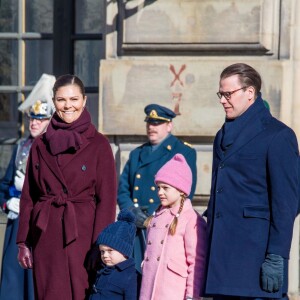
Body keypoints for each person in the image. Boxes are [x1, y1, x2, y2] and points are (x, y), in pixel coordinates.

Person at [16, 74, 117, 300]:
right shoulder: (40, 145)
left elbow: (107, 200)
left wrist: (101, 245)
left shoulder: (99, 144)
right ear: (54, 101)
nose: (68, 105)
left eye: (74, 99)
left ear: (84, 101)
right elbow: (29, 196)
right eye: (61, 100)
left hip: (84, 235)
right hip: (46, 235)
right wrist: (23, 241)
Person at [205, 63, 299, 299]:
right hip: (221, 260)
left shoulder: (278, 135)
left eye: (228, 94)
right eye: (221, 94)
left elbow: (286, 203)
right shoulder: (221, 135)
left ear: (250, 93)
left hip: (256, 259)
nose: (223, 101)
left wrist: (277, 254)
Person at [118, 103, 197, 273]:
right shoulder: (137, 153)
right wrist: (132, 211)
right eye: (149, 123)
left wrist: (154, 220)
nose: (151, 127)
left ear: (169, 125)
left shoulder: (183, 151)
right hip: (136, 227)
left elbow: (185, 193)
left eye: (157, 123)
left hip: (164, 227)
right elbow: (123, 189)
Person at [0, 73, 55, 300]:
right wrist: (6, 203)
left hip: (39, 226)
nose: (34, 123)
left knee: (35, 283)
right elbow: (4, 184)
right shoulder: (21, 147)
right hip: (16, 223)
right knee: (13, 282)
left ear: (50, 121)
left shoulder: (54, 150)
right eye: (32, 118)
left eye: (40, 119)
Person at [139, 153, 206, 300]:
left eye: (165, 188)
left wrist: (192, 295)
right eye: (158, 187)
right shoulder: (157, 216)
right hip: (148, 291)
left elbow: (196, 262)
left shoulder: (191, 219)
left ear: (181, 190)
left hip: (173, 292)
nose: (160, 192)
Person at [89, 208, 140, 300]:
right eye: (102, 251)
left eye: (110, 250)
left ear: (124, 250)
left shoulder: (132, 276)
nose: (105, 255)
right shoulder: (102, 269)